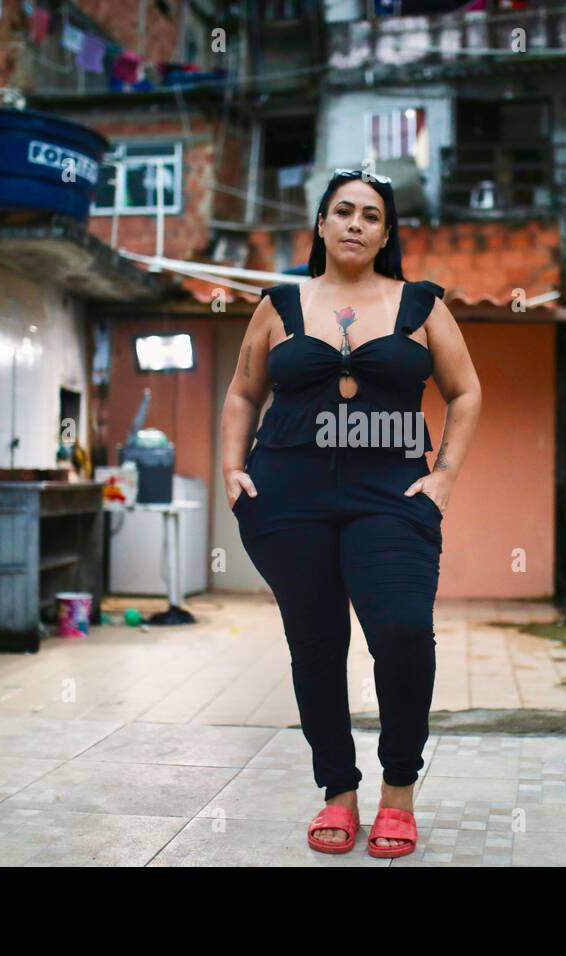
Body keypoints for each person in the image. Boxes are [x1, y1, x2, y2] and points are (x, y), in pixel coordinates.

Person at [220, 168, 481, 858]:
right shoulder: (280, 303)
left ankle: (399, 790)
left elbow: (466, 391)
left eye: (371, 214)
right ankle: (338, 791)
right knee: (315, 645)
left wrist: (444, 477)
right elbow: (244, 393)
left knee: (398, 630)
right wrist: (232, 469)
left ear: (386, 233)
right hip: (287, 501)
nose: (356, 223)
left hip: (391, 498)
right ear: (321, 224)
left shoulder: (419, 306)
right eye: (344, 211)